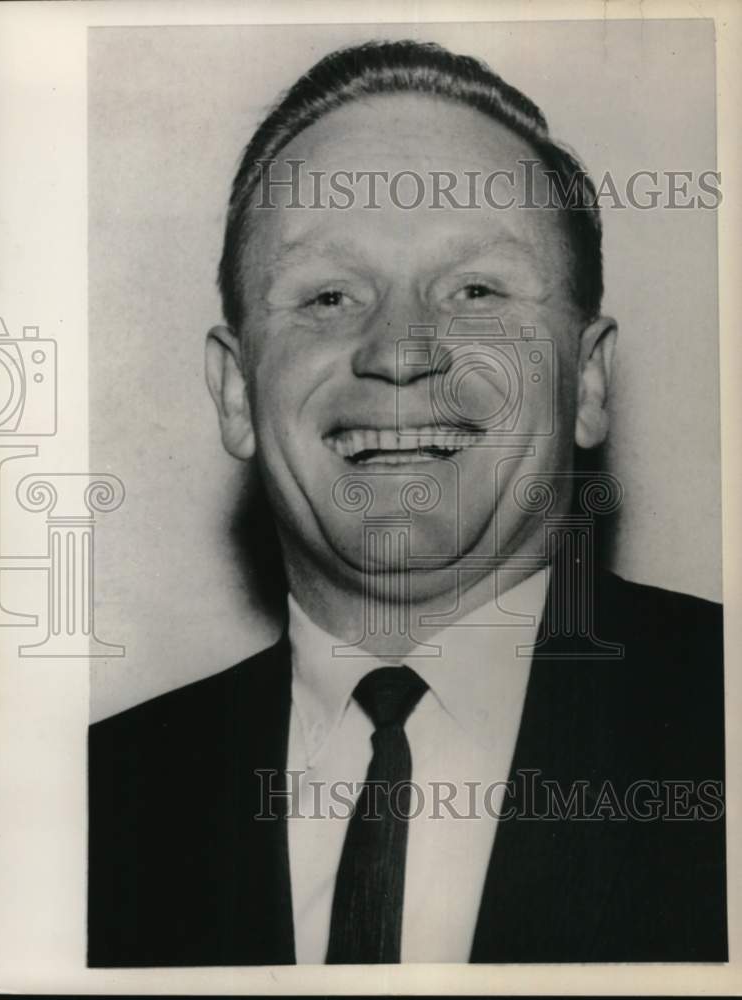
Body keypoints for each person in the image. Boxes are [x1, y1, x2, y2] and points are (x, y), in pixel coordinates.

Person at [88, 39, 726, 966]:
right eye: (327, 295)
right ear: (234, 391)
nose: (398, 349)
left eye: (475, 289)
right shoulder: (89, 805)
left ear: (586, 381)